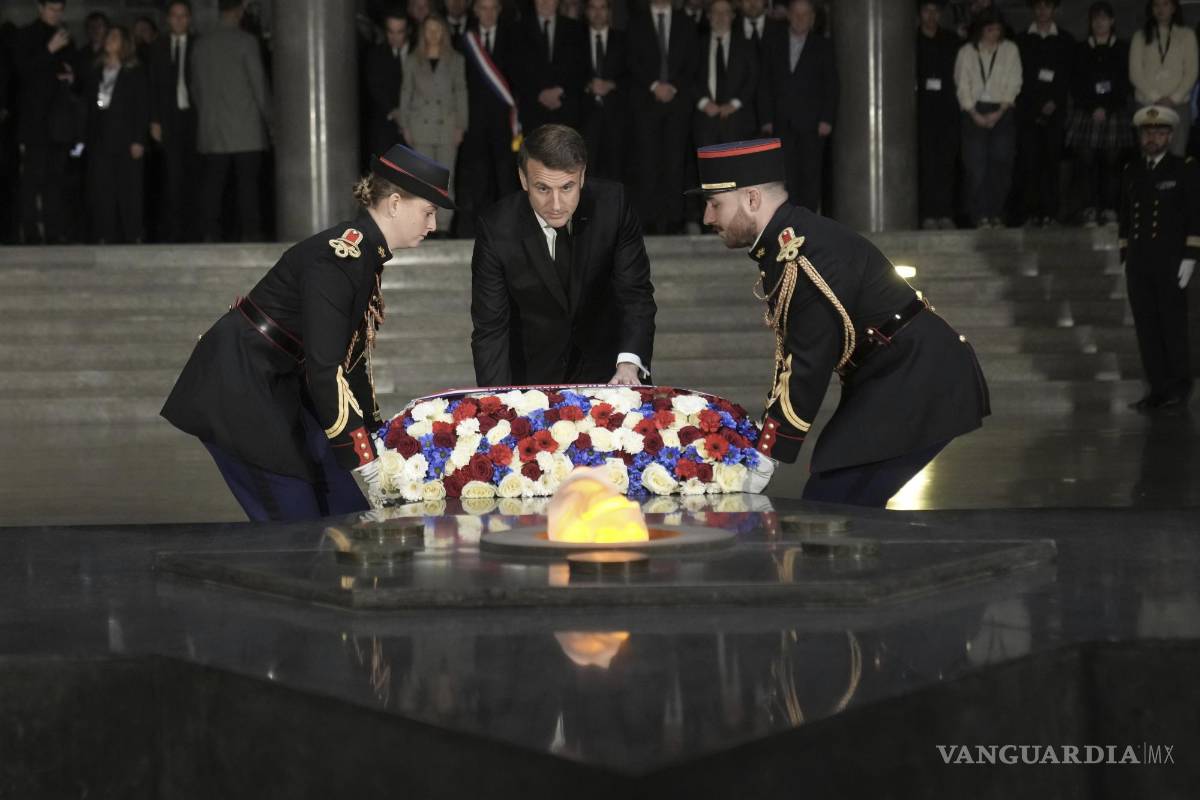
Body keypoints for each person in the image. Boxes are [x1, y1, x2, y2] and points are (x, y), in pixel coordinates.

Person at [161, 144, 455, 522]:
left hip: (279, 381)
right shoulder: (341, 257)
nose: (433, 226)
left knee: (344, 507)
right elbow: (325, 367)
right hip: (240, 386)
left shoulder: (364, 254)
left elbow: (353, 359)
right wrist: (365, 460)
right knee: (295, 519)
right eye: (428, 212)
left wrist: (376, 437)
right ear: (395, 203)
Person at [693, 138, 990, 507]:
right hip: (892, 373)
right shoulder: (788, 245)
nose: (707, 218)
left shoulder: (803, 255)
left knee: (833, 503)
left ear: (752, 200)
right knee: (832, 493)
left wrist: (766, 454)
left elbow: (807, 363)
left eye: (715, 204)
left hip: (919, 377)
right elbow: (793, 357)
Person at [470, 124, 656, 387]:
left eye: (567, 187)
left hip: (612, 374)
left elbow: (635, 293)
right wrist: (495, 399)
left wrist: (629, 363)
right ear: (523, 179)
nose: (556, 205)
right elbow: (491, 328)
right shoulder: (496, 227)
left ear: (582, 177)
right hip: (533, 379)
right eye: (543, 189)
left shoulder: (613, 205)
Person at [1119, 105, 1198, 412]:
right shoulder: (1132, 170)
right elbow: (1126, 215)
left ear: (1170, 136)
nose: (1153, 138)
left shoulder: (1184, 168)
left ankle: (1179, 386)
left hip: (1171, 260)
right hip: (1140, 262)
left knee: (1172, 326)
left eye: (1159, 133)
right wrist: (1125, 253)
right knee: (1147, 328)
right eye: (1148, 133)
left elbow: (1195, 214)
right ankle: (1158, 387)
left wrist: (1191, 255)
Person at [191, 0, 272, 242]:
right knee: (247, 187)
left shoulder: (201, 44)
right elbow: (259, 86)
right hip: (245, 128)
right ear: (239, 12)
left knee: (213, 186)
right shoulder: (246, 42)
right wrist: (271, 120)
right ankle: (250, 233)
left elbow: (195, 87)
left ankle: (210, 233)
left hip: (212, 127)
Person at [757, 0, 838, 213]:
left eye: (805, 15)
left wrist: (826, 119)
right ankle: (787, 226)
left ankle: (808, 226)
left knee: (810, 177)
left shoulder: (823, 46)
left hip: (812, 124)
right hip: (781, 123)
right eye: (796, 14)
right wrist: (766, 119)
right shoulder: (774, 43)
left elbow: (831, 85)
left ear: (812, 19)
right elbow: (764, 82)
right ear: (789, 16)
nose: (800, 18)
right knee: (784, 178)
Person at [628, 0, 700, 234]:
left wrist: (674, 87)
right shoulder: (636, 21)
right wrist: (653, 86)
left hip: (677, 104)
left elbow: (692, 62)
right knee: (647, 163)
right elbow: (631, 60)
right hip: (645, 103)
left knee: (675, 163)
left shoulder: (686, 22)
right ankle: (648, 219)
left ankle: (673, 219)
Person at [14, 0, 78, 244]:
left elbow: (74, 72)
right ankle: (29, 232)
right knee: (32, 178)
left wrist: (72, 77)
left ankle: (53, 231)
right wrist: (49, 50)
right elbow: (22, 71)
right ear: (40, 8)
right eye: (52, 9)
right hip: (35, 121)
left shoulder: (65, 36)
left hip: (59, 120)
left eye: (60, 10)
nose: (56, 14)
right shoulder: (25, 35)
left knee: (56, 178)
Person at [457, 0, 521, 238]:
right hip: (474, 122)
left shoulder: (513, 38)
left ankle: (509, 231)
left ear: (500, 10)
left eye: (493, 8)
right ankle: (483, 231)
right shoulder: (464, 41)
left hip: (504, 121)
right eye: (483, 8)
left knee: (506, 177)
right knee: (479, 178)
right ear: (475, 11)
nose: (488, 13)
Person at [955, 8, 1021, 228]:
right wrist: (974, 113)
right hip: (973, 111)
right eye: (989, 29)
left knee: (1001, 164)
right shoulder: (967, 52)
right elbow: (962, 83)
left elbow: (1015, 81)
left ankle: (997, 213)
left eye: (997, 29)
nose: (994, 34)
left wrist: (999, 112)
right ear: (981, 30)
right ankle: (980, 215)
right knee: (976, 166)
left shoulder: (1009, 50)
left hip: (1002, 110)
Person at [1067, 1, 1131, 228]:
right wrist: (1092, 107)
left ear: (1112, 21)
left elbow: (1125, 83)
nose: (1099, 23)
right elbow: (1075, 83)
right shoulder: (1081, 48)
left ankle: (1111, 210)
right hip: (1087, 112)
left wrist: (1108, 108)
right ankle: (1089, 210)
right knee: (1086, 164)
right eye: (1095, 19)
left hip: (1114, 112)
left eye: (1104, 18)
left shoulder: (1123, 48)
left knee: (1112, 165)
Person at [401, 15, 467, 234]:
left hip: (447, 126)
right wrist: (406, 126)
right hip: (421, 127)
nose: (433, 34)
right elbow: (406, 93)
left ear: (444, 32)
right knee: (422, 182)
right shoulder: (412, 59)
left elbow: (461, 92)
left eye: (437, 29)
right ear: (423, 32)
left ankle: (445, 226)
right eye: (429, 30)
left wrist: (461, 125)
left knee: (446, 180)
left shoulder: (456, 59)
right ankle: (423, 227)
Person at [83, 25, 149, 244]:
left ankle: (133, 233)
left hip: (126, 138)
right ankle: (105, 234)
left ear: (125, 43)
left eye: (115, 37)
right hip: (100, 138)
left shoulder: (135, 70)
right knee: (102, 188)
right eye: (108, 36)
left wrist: (139, 139)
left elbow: (141, 107)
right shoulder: (95, 69)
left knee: (129, 188)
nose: (109, 40)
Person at [1014, 0, 1074, 227]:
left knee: (1052, 163)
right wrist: (1036, 104)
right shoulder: (1021, 40)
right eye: (1038, 7)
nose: (1042, 12)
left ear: (1054, 9)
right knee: (1029, 163)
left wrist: (1054, 102)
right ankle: (1030, 213)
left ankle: (1050, 213)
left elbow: (1067, 75)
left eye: (1047, 7)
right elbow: (1020, 77)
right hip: (1027, 111)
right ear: (1032, 10)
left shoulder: (1065, 40)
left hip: (1055, 112)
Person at [148, 0, 199, 243]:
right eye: (174, 15)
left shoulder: (199, 45)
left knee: (193, 174)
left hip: (194, 117)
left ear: (189, 19)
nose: (179, 20)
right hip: (168, 118)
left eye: (183, 16)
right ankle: (173, 231)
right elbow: (152, 85)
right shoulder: (157, 46)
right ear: (168, 19)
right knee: (171, 176)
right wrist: (154, 119)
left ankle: (193, 229)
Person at [1129, 0, 1198, 157]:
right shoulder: (1139, 36)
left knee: (1176, 155)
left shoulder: (1187, 35)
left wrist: (1173, 99)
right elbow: (1135, 73)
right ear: (1151, 9)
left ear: (1173, 8)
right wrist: (1155, 98)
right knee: (1149, 155)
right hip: (1147, 104)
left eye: (1165, 4)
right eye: (1156, 5)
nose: (1160, 9)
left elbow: (1191, 72)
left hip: (1178, 105)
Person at [917, 0, 961, 230]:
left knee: (946, 165)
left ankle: (945, 213)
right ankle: (927, 214)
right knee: (926, 164)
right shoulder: (912, 41)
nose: (931, 16)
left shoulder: (952, 41)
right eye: (927, 10)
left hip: (948, 112)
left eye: (935, 11)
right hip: (922, 113)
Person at [693, 0, 757, 147]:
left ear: (733, 16)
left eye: (725, 12)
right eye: (715, 12)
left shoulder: (746, 45)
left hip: (738, 121)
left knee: (736, 169)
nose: (720, 16)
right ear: (708, 16)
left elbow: (753, 79)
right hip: (705, 121)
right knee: (708, 169)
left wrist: (734, 104)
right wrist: (703, 103)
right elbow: (688, 77)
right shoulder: (696, 44)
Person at [516, 0, 587, 133]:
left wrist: (561, 90)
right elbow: (515, 69)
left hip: (566, 110)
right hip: (533, 112)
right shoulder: (518, 30)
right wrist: (538, 94)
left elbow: (581, 68)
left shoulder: (575, 29)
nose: (545, 2)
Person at [580, 0, 629, 181]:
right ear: (587, 12)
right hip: (585, 117)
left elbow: (632, 76)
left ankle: (614, 208)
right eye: (593, 8)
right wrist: (587, 85)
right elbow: (570, 74)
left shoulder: (623, 40)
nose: (598, 13)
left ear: (609, 12)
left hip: (616, 116)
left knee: (616, 172)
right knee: (586, 171)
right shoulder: (575, 40)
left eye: (602, 8)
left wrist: (611, 85)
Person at [363, 11, 408, 165]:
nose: (395, 37)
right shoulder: (376, 54)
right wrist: (394, 111)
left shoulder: (417, 53)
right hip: (384, 129)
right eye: (391, 32)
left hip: (414, 128)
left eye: (399, 32)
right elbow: (375, 86)